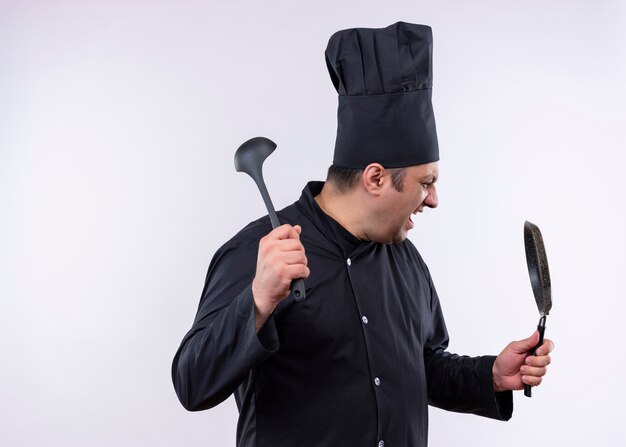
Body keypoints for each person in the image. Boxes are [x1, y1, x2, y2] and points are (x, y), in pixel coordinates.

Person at [172, 22, 554, 447]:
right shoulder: (260, 254)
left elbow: (423, 367)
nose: (433, 200)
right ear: (375, 178)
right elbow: (191, 384)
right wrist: (258, 300)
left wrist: (491, 376)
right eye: (424, 183)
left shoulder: (406, 260)